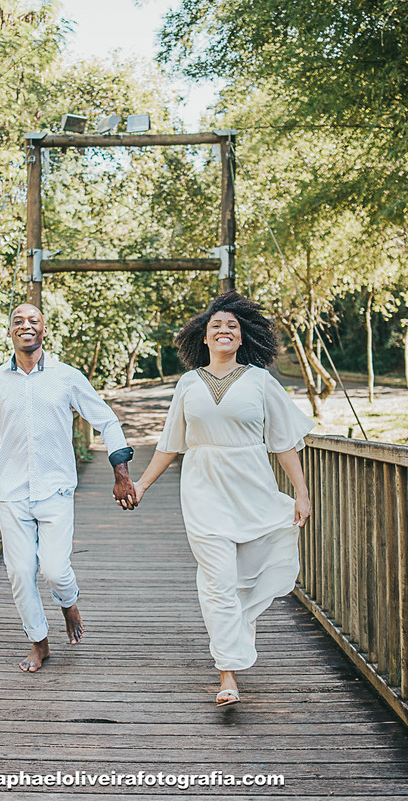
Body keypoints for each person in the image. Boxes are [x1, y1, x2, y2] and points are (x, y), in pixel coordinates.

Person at [122, 291, 315, 706]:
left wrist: (300, 491)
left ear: (242, 338)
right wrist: (140, 485)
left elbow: (283, 443)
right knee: (218, 580)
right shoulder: (188, 384)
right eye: (216, 326)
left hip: (253, 489)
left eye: (232, 326)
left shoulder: (261, 382)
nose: (224, 330)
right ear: (204, 339)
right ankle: (228, 673)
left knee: (244, 579)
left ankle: (235, 643)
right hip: (203, 488)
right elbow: (170, 444)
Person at [0, 302, 136, 672]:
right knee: (19, 573)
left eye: (33, 320)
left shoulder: (67, 377)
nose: (26, 326)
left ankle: (69, 604)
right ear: (9, 332)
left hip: (56, 489)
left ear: (44, 330)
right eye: (18, 321)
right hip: (11, 491)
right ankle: (39, 641)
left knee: (54, 568)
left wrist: (121, 471)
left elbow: (107, 421)